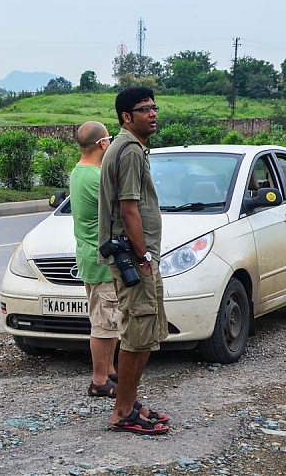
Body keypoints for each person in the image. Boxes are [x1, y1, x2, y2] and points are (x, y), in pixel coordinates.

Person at [98, 86, 170, 435]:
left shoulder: (134, 148)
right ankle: (122, 410)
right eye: (144, 109)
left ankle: (130, 401)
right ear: (126, 117)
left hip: (141, 258)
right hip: (133, 258)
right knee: (137, 332)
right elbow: (128, 210)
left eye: (154, 107)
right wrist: (143, 256)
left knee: (148, 332)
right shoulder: (127, 150)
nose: (152, 113)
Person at [69, 121, 121, 398]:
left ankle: (110, 370)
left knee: (107, 320)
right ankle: (99, 379)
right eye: (109, 140)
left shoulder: (79, 173)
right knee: (104, 324)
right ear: (102, 144)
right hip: (102, 261)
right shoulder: (95, 178)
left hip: (89, 256)